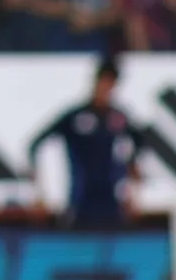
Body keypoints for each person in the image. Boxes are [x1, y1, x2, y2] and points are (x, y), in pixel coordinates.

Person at [29, 50, 139, 228]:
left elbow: (138, 147)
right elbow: (35, 145)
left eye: (111, 83)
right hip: (79, 203)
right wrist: (40, 193)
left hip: (111, 205)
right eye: (104, 82)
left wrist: (133, 194)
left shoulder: (118, 117)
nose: (106, 88)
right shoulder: (75, 117)